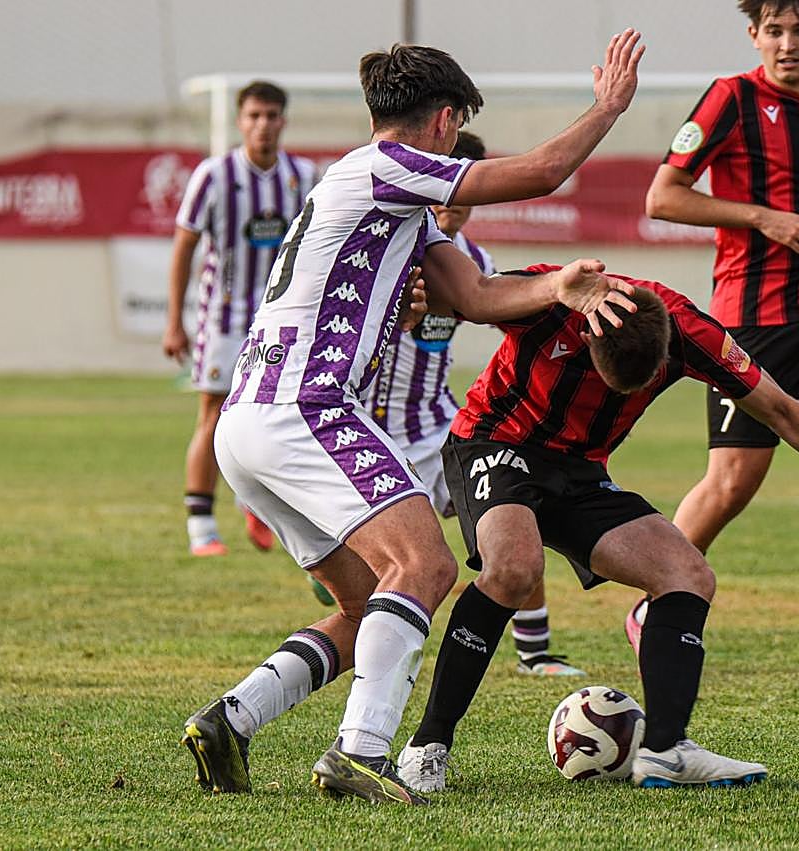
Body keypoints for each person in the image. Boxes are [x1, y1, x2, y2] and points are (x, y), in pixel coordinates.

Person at [180, 32, 646, 806]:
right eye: (457, 122)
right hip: (306, 406)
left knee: (366, 604)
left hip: (253, 419)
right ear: (443, 120)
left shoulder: (388, 201)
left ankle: (232, 718)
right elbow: (543, 171)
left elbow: (477, 297)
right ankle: (360, 751)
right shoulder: (387, 167)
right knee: (427, 567)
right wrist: (607, 109)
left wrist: (558, 285)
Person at [395, 265, 799, 792]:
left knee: (688, 574)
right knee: (514, 567)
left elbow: (777, 407)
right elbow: (464, 292)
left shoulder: (693, 332)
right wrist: (414, 303)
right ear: (589, 335)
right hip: (495, 442)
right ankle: (429, 744)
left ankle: (666, 750)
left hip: (580, 469)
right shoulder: (553, 296)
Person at [640, 0, 799, 696]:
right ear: (754, 35)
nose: (788, 44)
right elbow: (662, 197)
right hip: (753, 322)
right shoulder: (731, 99)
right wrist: (762, 218)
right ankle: (652, 598)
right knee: (732, 484)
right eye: (774, 31)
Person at [356, 129, 586, 678]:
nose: (452, 210)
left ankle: (536, 652)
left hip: (438, 424)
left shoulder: (472, 261)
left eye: (462, 200)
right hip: (369, 428)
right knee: (387, 567)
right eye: (445, 197)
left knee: (514, 515)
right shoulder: (384, 245)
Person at [162, 81, 318, 556]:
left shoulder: (304, 177)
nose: (263, 125)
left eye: (272, 116)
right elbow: (185, 245)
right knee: (211, 415)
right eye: (254, 116)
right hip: (224, 321)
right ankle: (201, 528)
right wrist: (175, 319)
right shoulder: (214, 175)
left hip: (281, 324)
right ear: (239, 121)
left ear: (284, 121)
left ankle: (257, 502)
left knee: (282, 417)